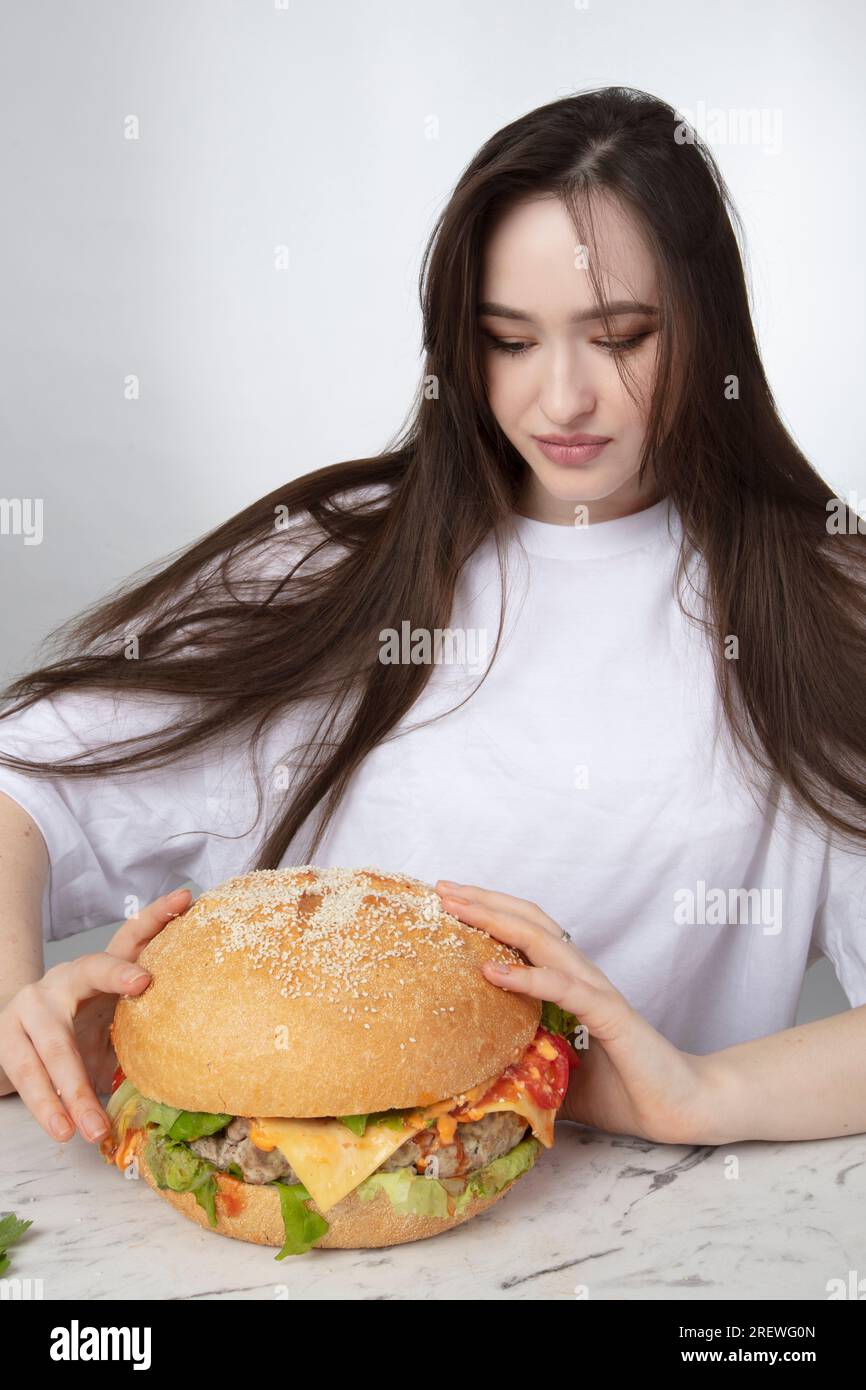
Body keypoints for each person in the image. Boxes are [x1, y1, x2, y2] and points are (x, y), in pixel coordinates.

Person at [1, 86, 865, 1155]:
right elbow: (27, 783)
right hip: (302, 1219)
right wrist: (17, 1009)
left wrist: (693, 1094)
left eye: (620, 337)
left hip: (658, 1245)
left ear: (705, 325)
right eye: (507, 340)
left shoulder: (820, 604)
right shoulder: (331, 559)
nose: (560, 400)